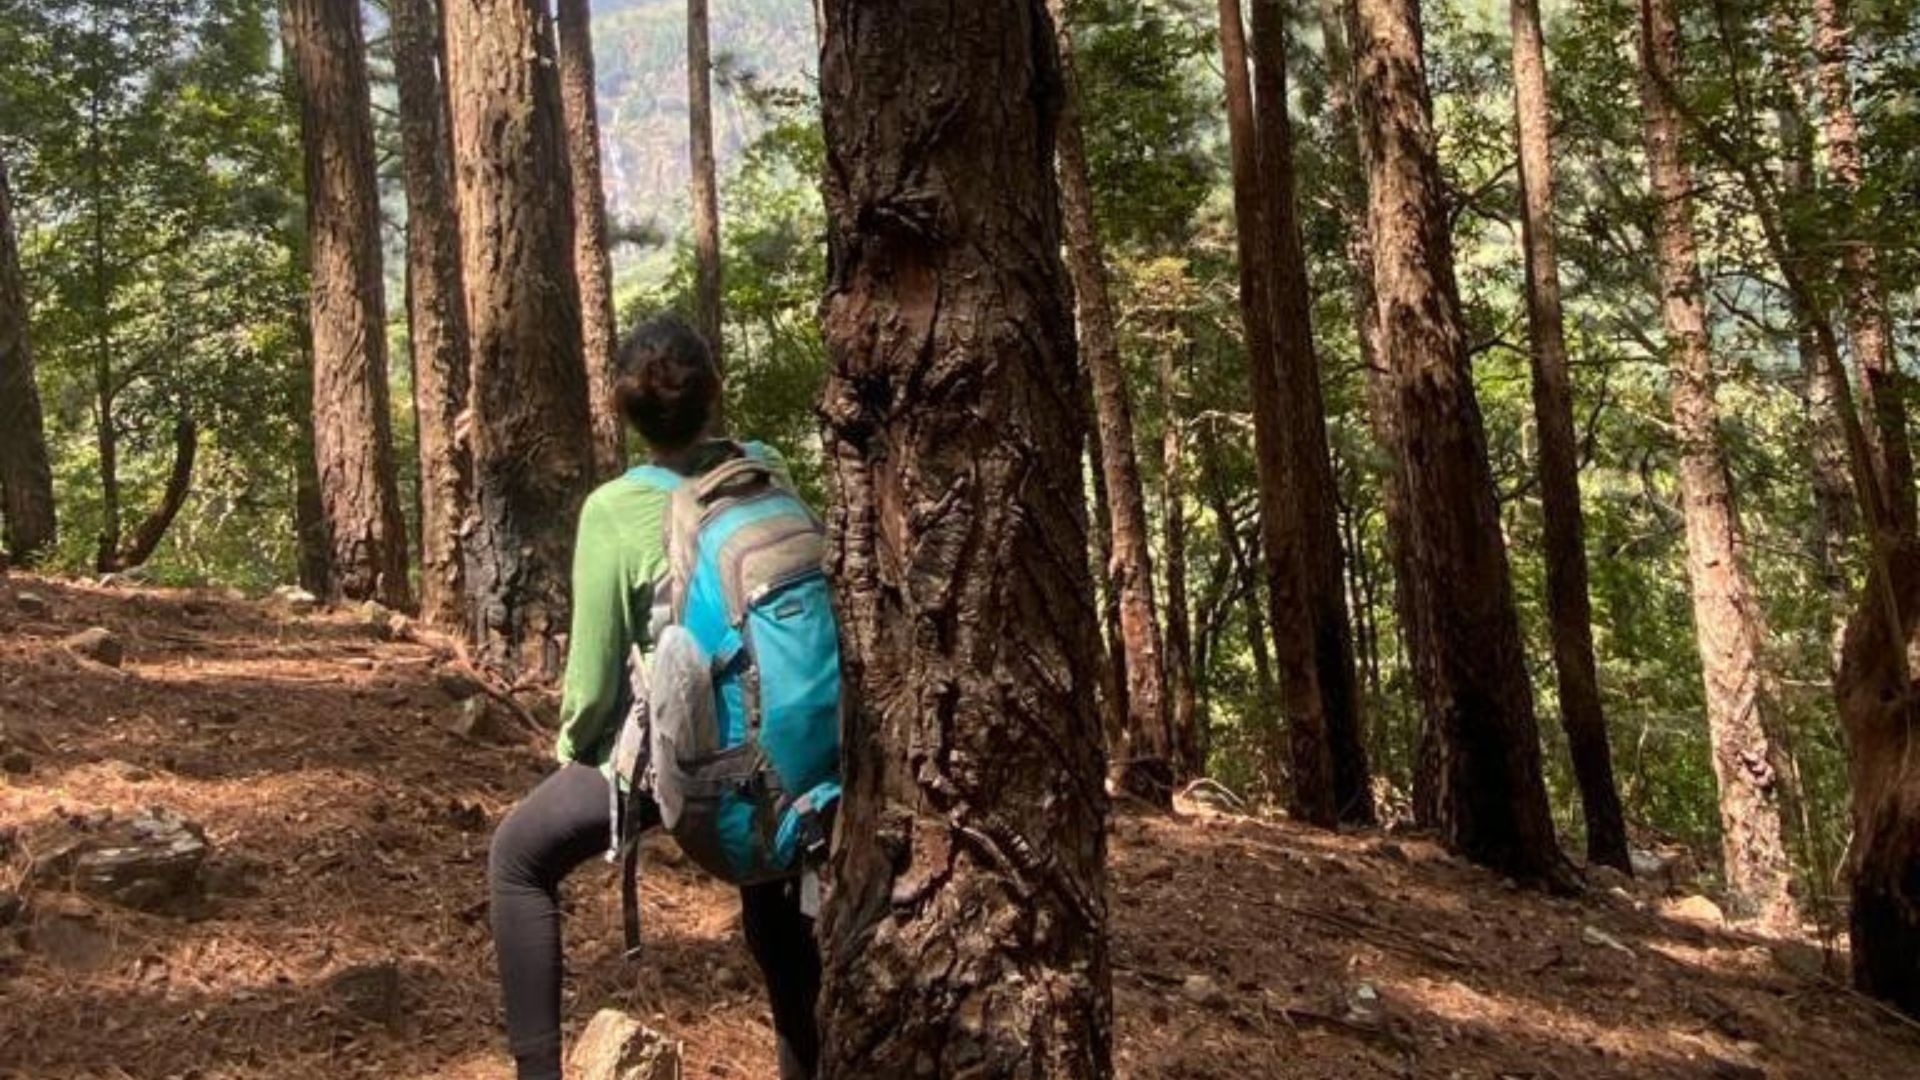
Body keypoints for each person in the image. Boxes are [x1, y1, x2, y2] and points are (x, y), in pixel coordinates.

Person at [488, 316, 822, 1080]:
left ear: (625, 411)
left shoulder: (612, 510)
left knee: (517, 858)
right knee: (776, 903)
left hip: (684, 760)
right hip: (790, 755)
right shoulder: (764, 467)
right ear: (716, 391)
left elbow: (595, 687)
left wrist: (577, 752)